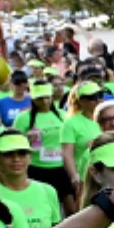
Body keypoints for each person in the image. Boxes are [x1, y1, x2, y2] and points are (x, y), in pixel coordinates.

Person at [0, 129, 65, 228]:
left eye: (22, 153)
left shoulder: (48, 191)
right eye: (8, 154)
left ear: (30, 157)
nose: (16, 159)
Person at [22, 81, 73, 210]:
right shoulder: (23, 118)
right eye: (40, 98)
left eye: (47, 97)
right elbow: (14, 143)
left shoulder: (63, 115)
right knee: (43, 206)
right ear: (33, 99)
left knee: (71, 208)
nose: (44, 101)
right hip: (37, 168)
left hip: (61, 168)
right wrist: (26, 139)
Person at [62, 81, 106, 195]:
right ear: (81, 101)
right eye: (92, 97)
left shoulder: (109, 118)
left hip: (107, 173)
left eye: (100, 95)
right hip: (85, 176)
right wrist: (74, 176)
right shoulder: (71, 123)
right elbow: (67, 153)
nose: (98, 100)